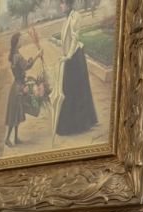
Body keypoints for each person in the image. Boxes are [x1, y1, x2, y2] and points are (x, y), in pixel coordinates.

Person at [54, 0, 97, 137]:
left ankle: (77, 126)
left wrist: (68, 56)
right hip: (71, 58)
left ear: (68, 4)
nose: (60, 6)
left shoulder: (75, 16)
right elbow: (65, 41)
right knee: (71, 89)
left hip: (76, 58)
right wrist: (55, 42)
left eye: (62, 3)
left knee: (73, 89)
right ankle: (77, 124)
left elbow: (74, 39)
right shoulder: (67, 18)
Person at [4, 33, 43, 149]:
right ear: (16, 43)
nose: (21, 41)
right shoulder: (17, 56)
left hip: (18, 85)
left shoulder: (15, 55)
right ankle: (7, 139)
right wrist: (37, 55)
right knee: (14, 114)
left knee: (16, 113)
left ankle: (15, 138)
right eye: (20, 40)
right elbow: (27, 66)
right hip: (18, 88)